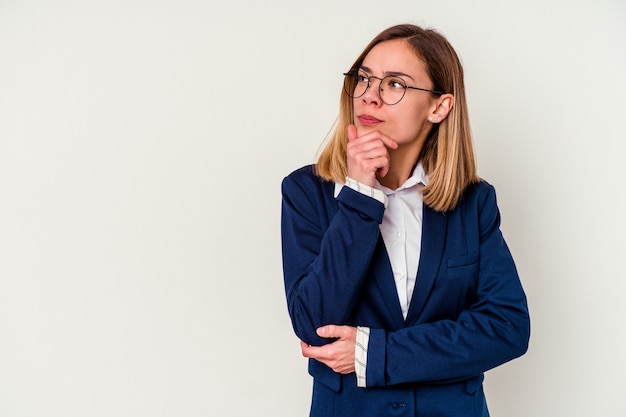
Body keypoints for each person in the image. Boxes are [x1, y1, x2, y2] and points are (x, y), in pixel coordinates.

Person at [280, 23, 530, 417]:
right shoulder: (306, 192)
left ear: (439, 106)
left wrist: (378, 353)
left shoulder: (473, 202)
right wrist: (361, 197)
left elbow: (506, 327)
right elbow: (314, 326)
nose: (370, 96)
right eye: (364, 78)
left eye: (395, 84)